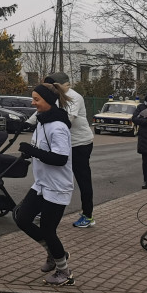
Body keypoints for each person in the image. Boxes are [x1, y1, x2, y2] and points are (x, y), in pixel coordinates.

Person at [13, 84, 75, 286]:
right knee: (21, 218)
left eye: (37, 99)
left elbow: (60, 159)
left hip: (57, 186)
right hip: (42, 184)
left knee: (49, 230)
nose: (33, 103)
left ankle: (64, 272)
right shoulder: (42, 122)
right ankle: (54, 253)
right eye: (33, 98)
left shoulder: (57, 127)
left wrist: (33, 151)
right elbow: (41, 149)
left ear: (49, 101)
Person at [44, 71, 95, 229]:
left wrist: (43, 120)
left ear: (59, 85)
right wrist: (27, 123)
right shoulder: (54, 97)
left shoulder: (74, 97)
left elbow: (67, 120)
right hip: (63, 144)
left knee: (82, 178)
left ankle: (88, 215)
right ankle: (42, 209)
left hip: (80, 144)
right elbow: (40, 111)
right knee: (51, 176)